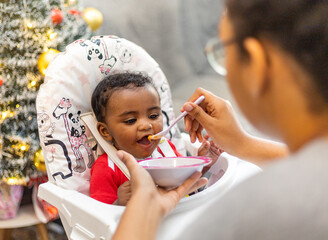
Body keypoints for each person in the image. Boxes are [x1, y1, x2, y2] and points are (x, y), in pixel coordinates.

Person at [113, 0, 328, 239]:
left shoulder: (258, 210)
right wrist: (243, 145)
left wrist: (144, 207)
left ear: (257, 66)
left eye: (223, 50)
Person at [90, 72, 220, 205]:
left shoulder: (166, 148)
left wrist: (203, 163)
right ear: (105, 131)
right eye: (131, 120)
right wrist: (119, 203)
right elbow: (97, 217)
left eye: (153, 116)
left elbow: (188, 182)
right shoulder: (107, 168)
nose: (146, 125)